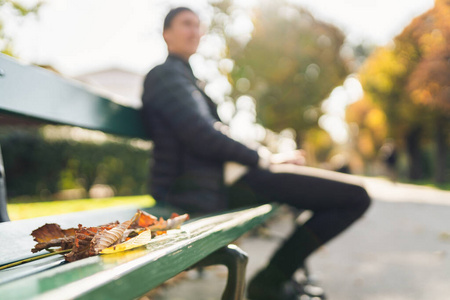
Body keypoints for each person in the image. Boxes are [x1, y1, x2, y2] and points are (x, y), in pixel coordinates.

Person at [141, 7, 371, 300]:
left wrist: (267, 158)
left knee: (351, 195)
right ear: (166, 34)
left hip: (228, 179)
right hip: (205, 188)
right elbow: (203, 135)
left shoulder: (186, 79)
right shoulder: (165, 76)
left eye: (198, 26)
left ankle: (274, 280)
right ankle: (270, 283)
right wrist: (263, 158)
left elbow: (211, 134)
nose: (194, 32)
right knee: (354, 197)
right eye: (186, 24)